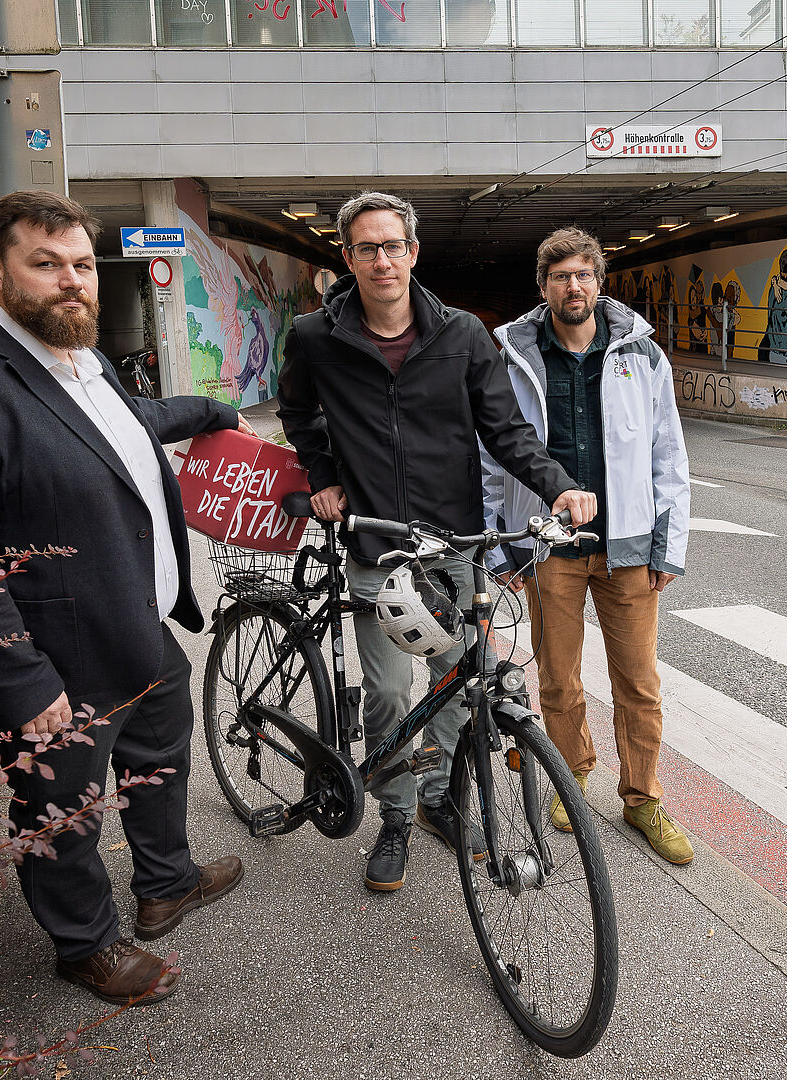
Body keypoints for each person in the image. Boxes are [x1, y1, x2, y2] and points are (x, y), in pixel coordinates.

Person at [0, 191, 250, 1007]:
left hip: (137, 627)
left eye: (80, 264)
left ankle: (166, 883)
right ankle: (84, 946)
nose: (71, 281)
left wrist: (214, 411)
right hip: (53, 658)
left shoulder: (81, 355)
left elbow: (128, 425)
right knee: (61, 807)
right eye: (45, 265)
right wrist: (16, 676)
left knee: (159, 756)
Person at [275, 191, 596, 892]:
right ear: (348, 257)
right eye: (366, 248)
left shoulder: (461, 335)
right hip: (376, 546)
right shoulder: (314, 337)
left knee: (457, 686)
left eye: (393, 245)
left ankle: (436, 800)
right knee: (389, 695)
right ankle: (392, 816)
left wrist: (557, 486)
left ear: (413, 252)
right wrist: (324, 474)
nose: (381, 259)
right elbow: (297, 412)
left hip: (451, 545)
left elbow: (507, 432)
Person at [483, 227, 695, 865]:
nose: (572, 287)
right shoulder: (515, 356)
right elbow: (490, 454)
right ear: (543, 286)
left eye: (583, 275)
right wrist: (501, 549)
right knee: (559, 678)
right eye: (559, 277)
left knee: (638, 681)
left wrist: (668, 546)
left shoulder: (641, 353)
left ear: (600, 283)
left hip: (627, 549)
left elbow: (667, 455)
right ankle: (571, 776)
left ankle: (642, 798)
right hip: (549, 549)